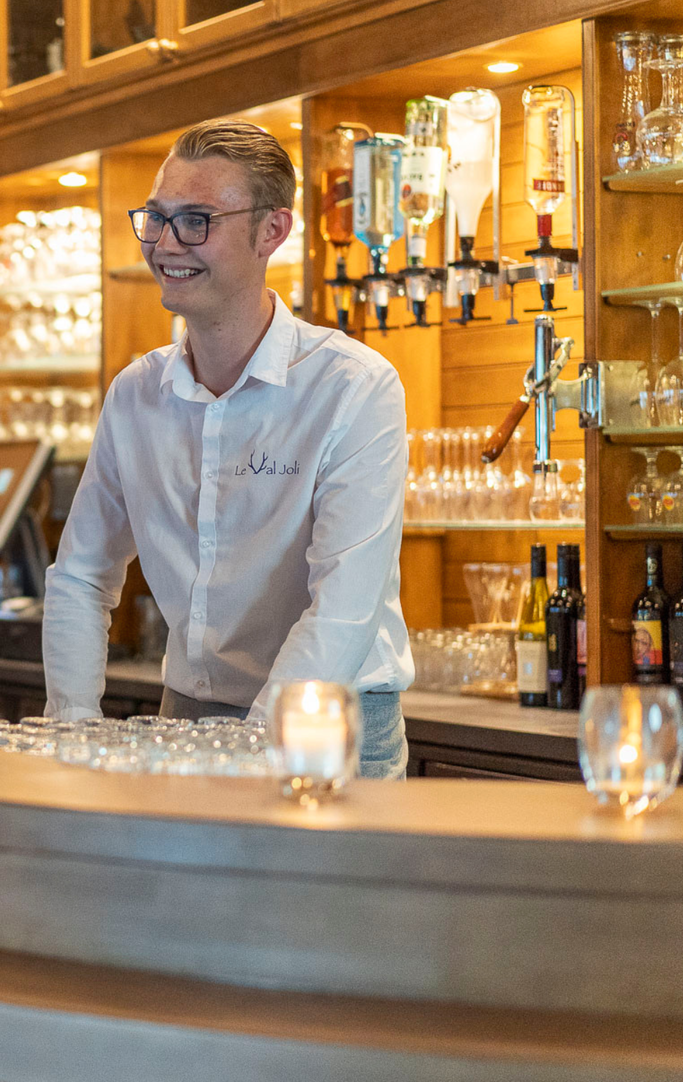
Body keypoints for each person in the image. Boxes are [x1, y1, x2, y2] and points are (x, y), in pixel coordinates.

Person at [41, 119, 413, 778]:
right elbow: (80, 576)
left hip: (329, 718)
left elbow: (343, 607)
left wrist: (251, 749)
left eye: (196, 221)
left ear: (272, 231)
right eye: (156, 218)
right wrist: (72, 731)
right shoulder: (135, 394)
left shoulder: (353, 387)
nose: (165, 244)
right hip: (186, 714)